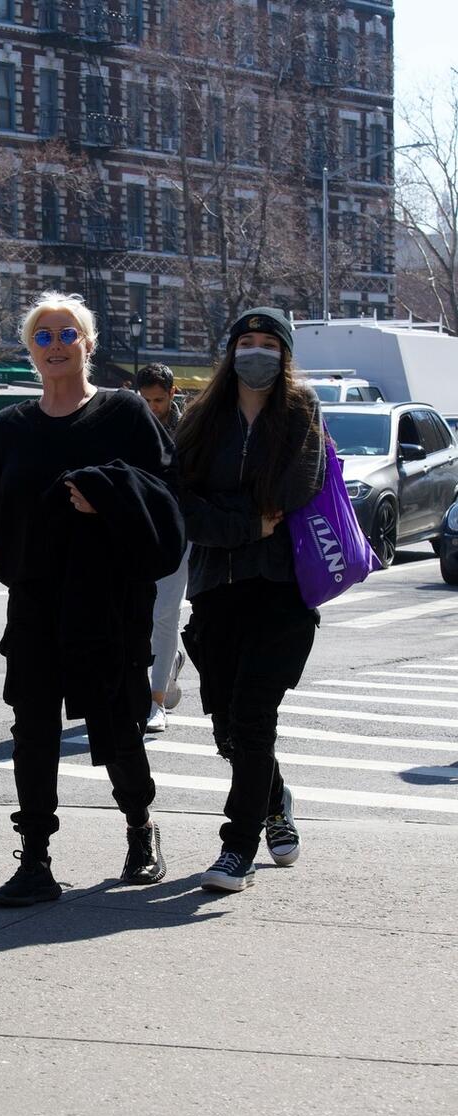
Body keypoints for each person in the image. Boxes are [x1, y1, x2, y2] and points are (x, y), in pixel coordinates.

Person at [0, 292, 184, 905]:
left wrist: (109, 499)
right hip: (34, 601)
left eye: (66, 334)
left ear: (88, 343)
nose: (55, 346)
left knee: (117, 725)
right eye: (43, 337)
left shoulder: (124, 413)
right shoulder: (10, 428)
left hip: (108, 601)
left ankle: (140, 829)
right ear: (29, 350)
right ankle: (35, 859)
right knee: (31, 728)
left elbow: (167, 498)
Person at [176, 308, 325, 894]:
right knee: (228, 729)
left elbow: (293, 490)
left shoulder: (301, 411)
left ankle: (236, 848)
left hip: (281, 590)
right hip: (216, 589)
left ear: (284, 354)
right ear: (231, 350)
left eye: (268, 343)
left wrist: (224, 511)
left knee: (254, 715)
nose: (256, 351)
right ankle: (275, 799)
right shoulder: (201, 416)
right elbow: (180, 501)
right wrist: (246, 523)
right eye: (246, 342)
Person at [136, 363, 190, 733]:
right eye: (145, 400)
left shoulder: (190, 429)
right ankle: (168, 664)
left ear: (172, 394)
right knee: (139, 615)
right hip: (139, 530)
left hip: (178, 530)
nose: (152, 407)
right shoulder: (131, 423)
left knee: (165, 614)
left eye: (158, 400)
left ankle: (155, 701)